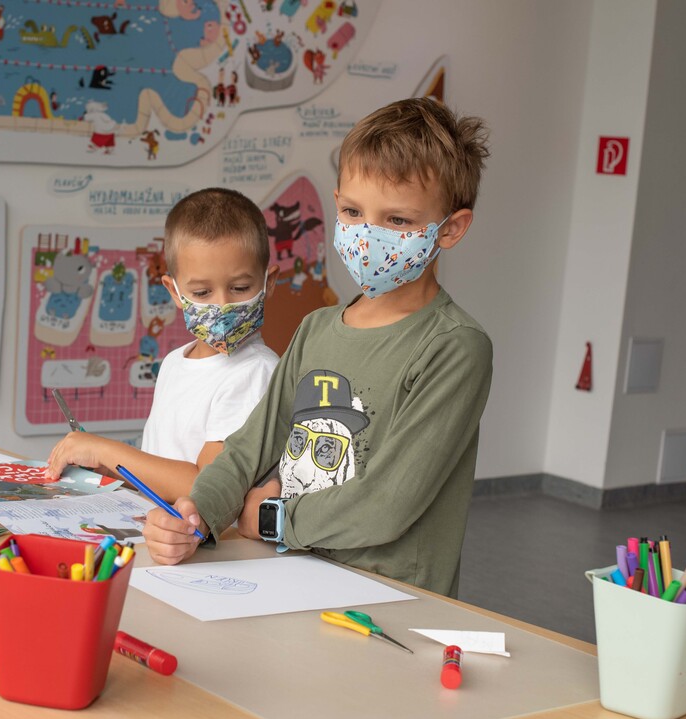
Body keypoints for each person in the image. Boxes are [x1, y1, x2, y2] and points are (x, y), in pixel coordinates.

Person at [143, 98, 493, 598]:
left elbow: (387, 503)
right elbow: (248, 450)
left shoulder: (455, 348)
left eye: (397, 220)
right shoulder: (316, 329)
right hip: (292, 575)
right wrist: (194, 518)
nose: (368, 235)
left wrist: (272, 519)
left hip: (389, 599)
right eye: (352, 211)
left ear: (451, 228)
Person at [46, 187, 281, 502]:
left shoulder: (256, 372)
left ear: (268, 283)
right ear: (174, 292)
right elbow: (158, 474)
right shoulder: (174, 362)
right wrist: (106, 467)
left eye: (239, 288)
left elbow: (206, 486)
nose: (222, 305)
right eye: (202, 293)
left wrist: (104, 451)